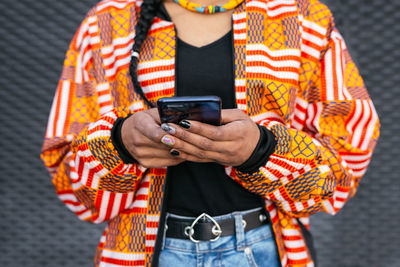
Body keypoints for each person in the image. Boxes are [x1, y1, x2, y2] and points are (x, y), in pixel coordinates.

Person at [40, 0, 380, 266]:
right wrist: (120, 142)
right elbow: (76, 192)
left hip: (262, 250)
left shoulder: (304, 20)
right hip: (140, 254)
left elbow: (340, 172)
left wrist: (262, 150)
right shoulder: (106, 23)